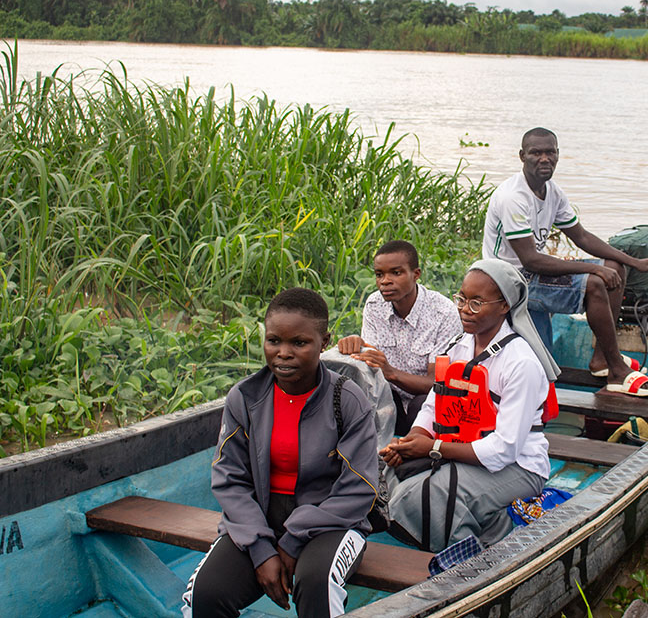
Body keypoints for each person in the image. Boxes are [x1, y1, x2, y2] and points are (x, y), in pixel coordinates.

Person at [183, 288, 379, 618]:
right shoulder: (245, 398)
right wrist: (261, 549)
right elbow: (230, 478)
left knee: (317, 583)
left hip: (331, 521)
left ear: (323, 342)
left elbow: (360, 488)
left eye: (299, 343)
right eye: (274, 341)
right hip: (260, 518)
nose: (282, 353)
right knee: (205, 594)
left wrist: (291, 541)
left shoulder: (347, 399)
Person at [381, 259, 560, 553]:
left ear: (504, 306)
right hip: (462, 448)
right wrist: (415, 437)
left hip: (518, 466)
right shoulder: (460, 345)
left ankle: (481, 545)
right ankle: (484, 520)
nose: (465, 309)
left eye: (477, 303)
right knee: (389, 470)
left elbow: (505, 449)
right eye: (462, 299)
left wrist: (433, 449)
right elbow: (433, 403)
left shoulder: (521, 364)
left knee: (434, 494)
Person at [482, 127, 648, 397]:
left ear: (558, 155)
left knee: (613, 268)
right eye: (536, 153)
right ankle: (617, 371)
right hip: (508, 281)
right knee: (595, 282)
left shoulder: (552, 192)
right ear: (522, 156)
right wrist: (593, 269)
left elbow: (581, 236)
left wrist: (633, 262)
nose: (544, 158)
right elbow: (531, 260)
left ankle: (602, 359)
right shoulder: (514, 197)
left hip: (529, 274)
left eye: (550, 152)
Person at [338, 240, 462, 436]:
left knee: (421, 403)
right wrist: (355, 346)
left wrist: (390, 372)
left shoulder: (443, 313)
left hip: (427, 404)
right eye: (379, 274)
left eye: (396, 273)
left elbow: (437, 384)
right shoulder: (374, 305)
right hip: (389, 398)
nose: (385, 281)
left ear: (416, 274)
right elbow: (370, 364)